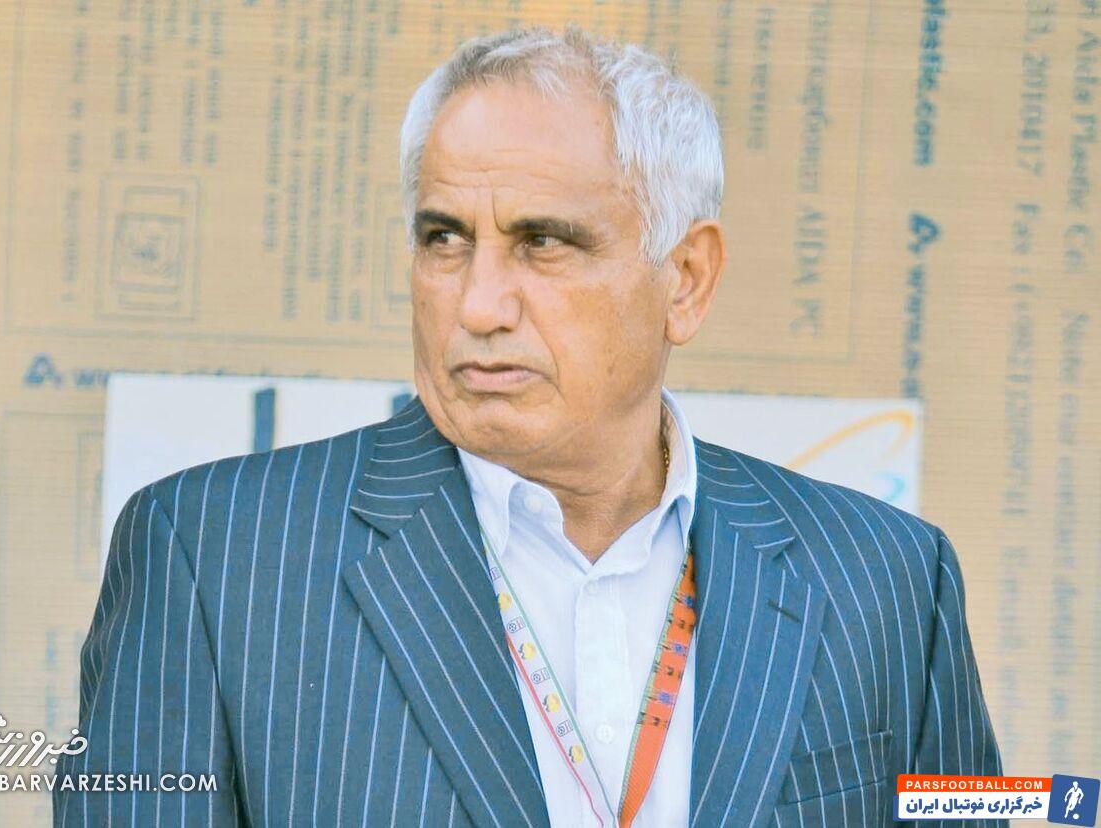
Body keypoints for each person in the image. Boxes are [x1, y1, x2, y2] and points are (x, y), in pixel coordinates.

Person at [53, 25, 1005, 828]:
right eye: (444, 238)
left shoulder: (887, 577)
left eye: (542, 242)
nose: (477, 305)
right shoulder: (213, 560)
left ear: (686, 280)